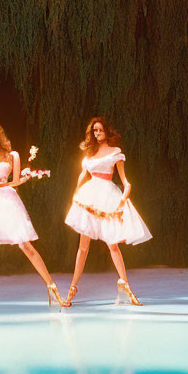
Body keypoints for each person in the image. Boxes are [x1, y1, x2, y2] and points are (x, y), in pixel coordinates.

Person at [0, 117, 68, 308]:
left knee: (25, 244)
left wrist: (24, 178)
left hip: (8, 199)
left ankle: (52, 287)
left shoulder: (12, 155)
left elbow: (14, 182)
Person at [64, 117, 152, 306]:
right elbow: (82, 175)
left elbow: (126, 181)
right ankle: (72, 289)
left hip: (108, 196)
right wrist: (75, 195)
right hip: (89, 197)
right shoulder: (89, 155)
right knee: (83, 247)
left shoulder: (115, 153)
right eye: (94, 131)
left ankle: (127, 287)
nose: (97, 133)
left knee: (113, 245)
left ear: (106, 131)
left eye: (100, 130)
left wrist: (124, 198)